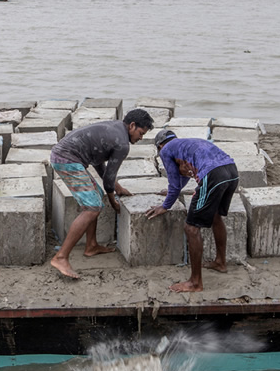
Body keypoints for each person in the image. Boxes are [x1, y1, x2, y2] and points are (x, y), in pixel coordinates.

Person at [49, 108, 155, 279]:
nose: (141, 138)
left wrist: (117, 187)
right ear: (132, 126)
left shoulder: (115, 128)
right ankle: (61, 257)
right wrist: (113, 201)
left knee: (95, 198)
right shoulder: (122, 144)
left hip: (65, 154)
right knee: (92, 207)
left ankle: (91, 246)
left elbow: (98, 160)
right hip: (67, 158)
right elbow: (108, 179)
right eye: (141, 133)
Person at [146, 129, 239, 293]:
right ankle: (220, 262)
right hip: (231, 171)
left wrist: (165, 206)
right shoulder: (187, 144)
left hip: (213, 175)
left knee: (191, 228)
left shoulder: (166, 150)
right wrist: (171, 192)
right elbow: (180, 180)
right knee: (216, 216)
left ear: (160, 146)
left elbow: (175, 184)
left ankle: (195, 283)